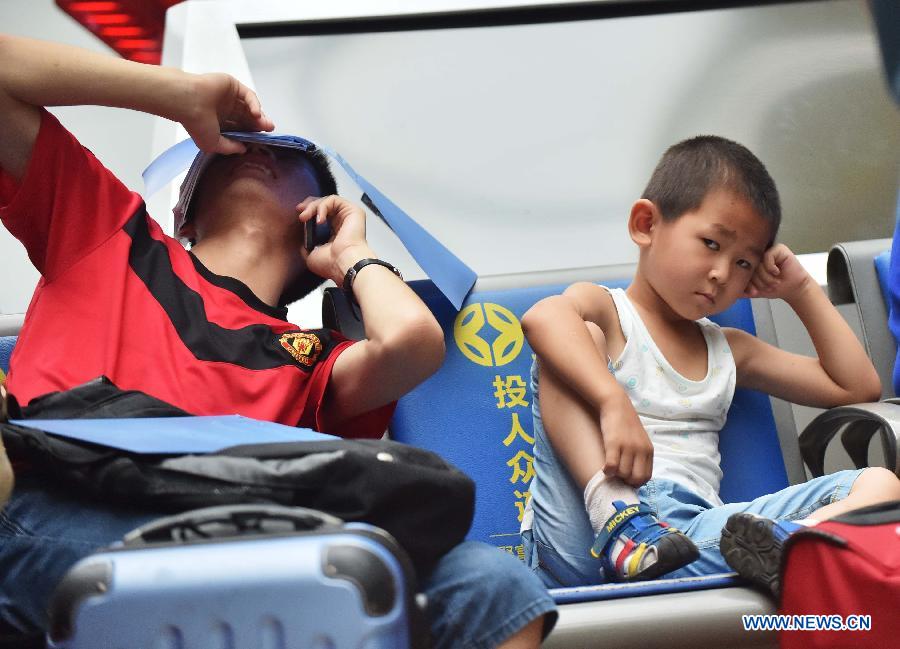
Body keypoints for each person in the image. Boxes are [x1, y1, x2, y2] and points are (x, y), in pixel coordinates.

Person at [0, 34, 556, 648]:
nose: (259, 154)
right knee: (250, 574)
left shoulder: (310, 359)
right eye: (230, 149)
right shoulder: (111, 235)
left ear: (314, 220)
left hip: (248, 536)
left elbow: (413, 346)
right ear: (184, 214)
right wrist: (176, 95)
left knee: (489, 582)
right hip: (54, 510)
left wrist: (353, 254)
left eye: (291, 161)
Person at [519, 135, 900, 590]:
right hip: (585, 528)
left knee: (881, 485)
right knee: (572, 338)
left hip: (686, 538)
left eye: (744, 263)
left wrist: (798, 289)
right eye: (711, 243)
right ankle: (620, 521)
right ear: (645, 224)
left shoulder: (729, 350)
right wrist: (611, 401)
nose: (723, 273)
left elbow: (854, 387)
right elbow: (542, 318)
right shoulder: (607, 312)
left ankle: (790, 545)